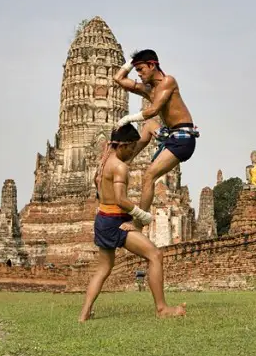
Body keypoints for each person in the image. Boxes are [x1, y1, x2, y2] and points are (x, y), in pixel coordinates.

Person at [78, 124, 187, 322]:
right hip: (115, 222)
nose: (132, 152)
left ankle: (84, 313)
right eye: (131, 147)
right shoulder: (119, 167)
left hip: (102, 219)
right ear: (123, 145)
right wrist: (141, 215)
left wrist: (145, 123)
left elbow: (147, 128)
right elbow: (120, 199)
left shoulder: (104, 161)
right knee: (155, 255)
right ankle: (162, 309)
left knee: (103, 268)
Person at [113, 49, 198, 228]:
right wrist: (132, 61)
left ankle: (139, 223)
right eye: (137, 71)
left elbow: (153, 109)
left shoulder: (168, 82)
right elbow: (118, 79)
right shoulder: (148, 89)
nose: (139, 74)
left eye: (141, 69)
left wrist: (127, 119)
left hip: (183, 139)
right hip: (169, 134)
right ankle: (127, 160)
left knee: (148, 176)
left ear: (152, 65)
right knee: (150, 125)